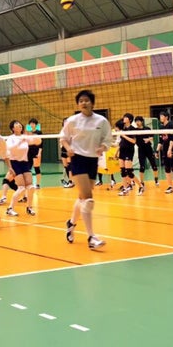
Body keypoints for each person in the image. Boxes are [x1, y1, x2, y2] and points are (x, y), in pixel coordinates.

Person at [60, 89, 113, 250]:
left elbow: (107, 140)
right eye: (81, 101)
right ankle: (91, 237)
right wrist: (68, 148)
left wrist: (102, 148)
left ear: (92, 103)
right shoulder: (72, 120)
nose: (83, 103)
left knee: (82, 198)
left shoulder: (101, 121)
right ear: (78, 104)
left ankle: (71, 223)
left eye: (86, 100)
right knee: (88, 199)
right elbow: (63, 138)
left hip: (92, 160)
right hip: (77, 159)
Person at [4, 119, 40, 216]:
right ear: (13, 128)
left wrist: (31, 134)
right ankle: (10, 209)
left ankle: (29, 208)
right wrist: (20, 141)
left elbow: (38, 141)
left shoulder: (25, 137)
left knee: (31, 187)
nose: (19, 125)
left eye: (20, 124)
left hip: (24, 162)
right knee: (21, 188)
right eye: (16, 124)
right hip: (14, 163)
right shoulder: (10, 138)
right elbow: (11, 148)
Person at [117, 113, 144, 196]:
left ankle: (141, 186)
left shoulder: (132, 129)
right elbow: (121, 141)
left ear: (130, 120)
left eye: (126, 117)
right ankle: (125, 189)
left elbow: (133, 141)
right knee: (122, 171)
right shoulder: (123, 128)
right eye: (124, 117)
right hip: (122, 150)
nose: (124, 118)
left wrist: (124, 135)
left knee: (129, 172)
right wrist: (117, 151)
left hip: (129, 151)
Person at [157, 110, 173, 194]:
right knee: (167, 168)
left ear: (166, 117)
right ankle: (170, 186)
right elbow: (161, 140)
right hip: (165, 149)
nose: (160, 117)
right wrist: (157, 151)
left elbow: (172, 139)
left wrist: (170, 149)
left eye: (162, 116)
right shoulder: (161, 127)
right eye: (160, 116)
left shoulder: (171, 124)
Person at [134, 115, 159, 187]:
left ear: (142, 121)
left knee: (154, 165)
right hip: (141, 149)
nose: (137, 122)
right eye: (136, 121)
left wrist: (148, 139)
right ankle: (142, 182)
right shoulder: (135, 130)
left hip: (148, 148)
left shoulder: (147, 128)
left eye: (138, 121)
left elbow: (152, 137)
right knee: (142, 167)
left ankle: (156, 179)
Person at [26, 118, 43, 188]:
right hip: (29, 152)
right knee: (28, 168)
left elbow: (41, 144)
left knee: (37, 168)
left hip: (36, 151)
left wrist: (39, 153)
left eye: (33, 123)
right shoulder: (28, 132)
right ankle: (29, 183)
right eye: (31, 123)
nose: (32, 124)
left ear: (36, 124)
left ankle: (37, 184)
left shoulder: (39, 132)